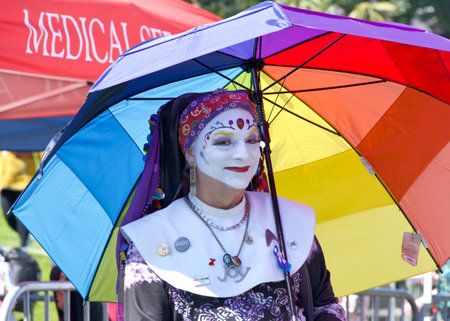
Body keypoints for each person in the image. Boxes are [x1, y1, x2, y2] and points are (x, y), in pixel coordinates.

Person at [118, 90, 345, 320]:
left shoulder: (287, 221)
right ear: (190, 154)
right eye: (224, 141)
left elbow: (325, 308)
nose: (243, 154)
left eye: (252, 140)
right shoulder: (152, 240)